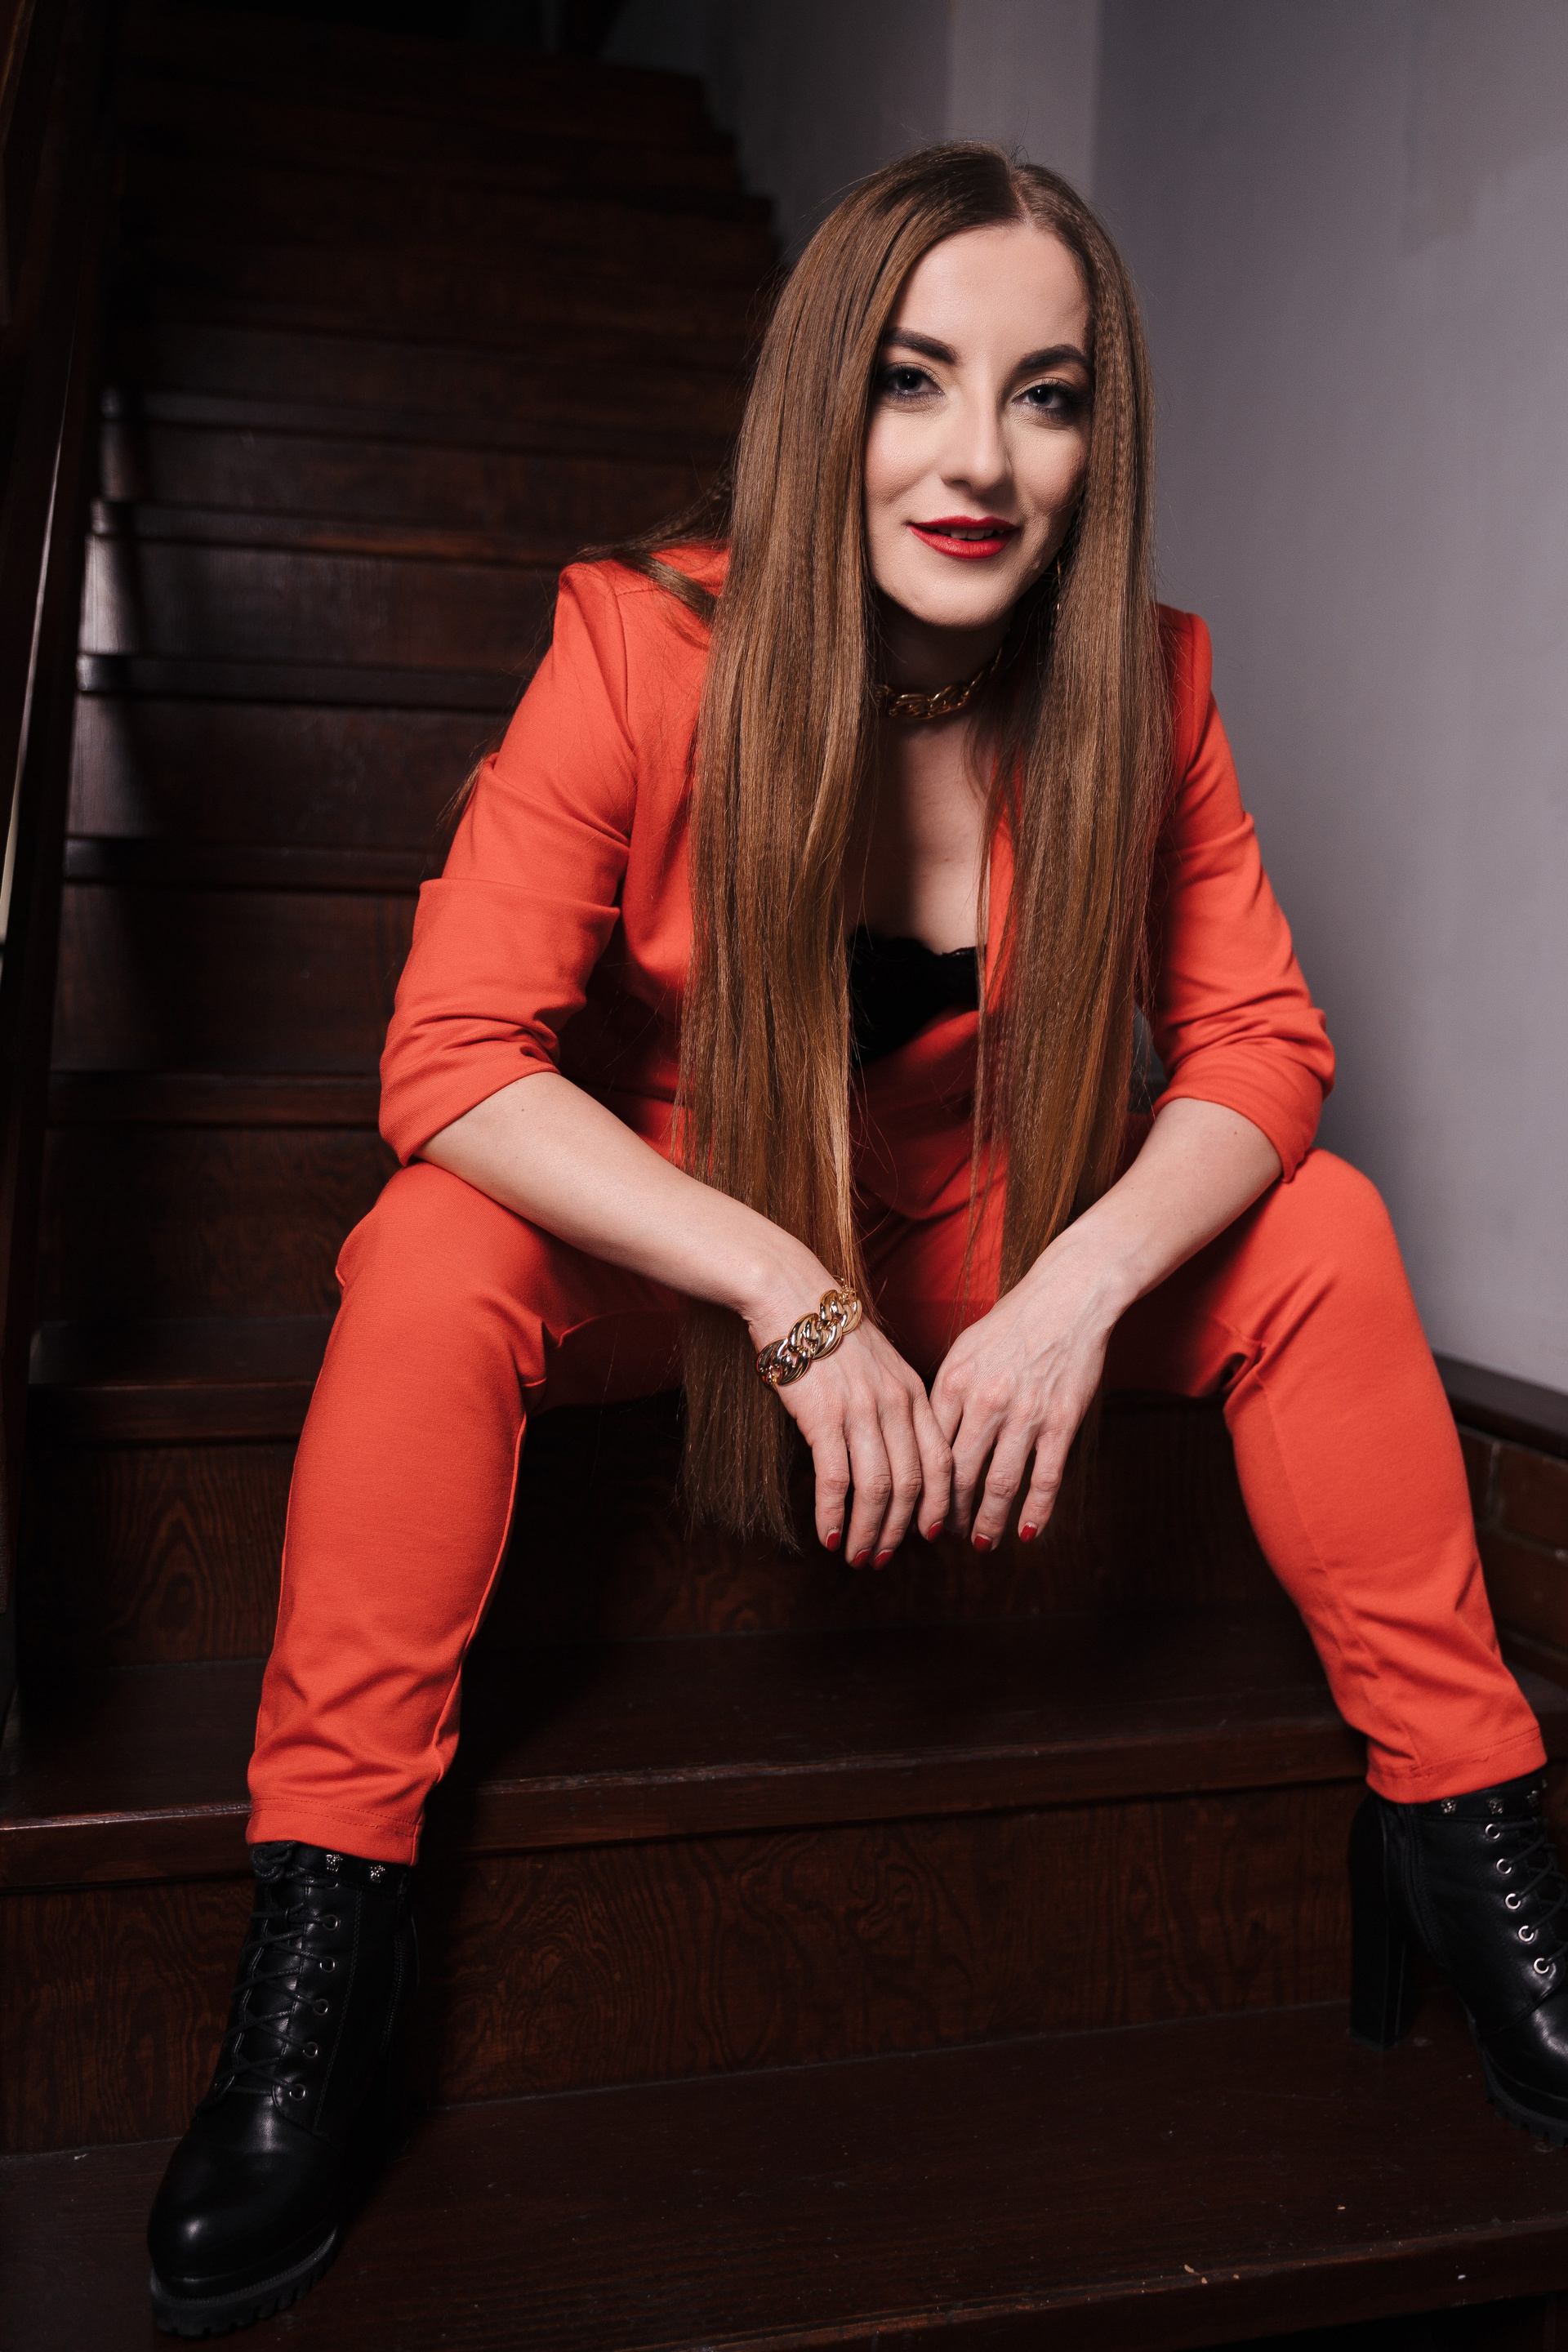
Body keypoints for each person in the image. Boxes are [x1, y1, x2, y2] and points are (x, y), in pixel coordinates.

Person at [146, 144, 1568, 2336]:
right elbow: (448, 1059)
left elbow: (1263, 1044)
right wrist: (782, 1289)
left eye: (1045, 395)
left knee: (1327, 1229)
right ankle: (327, 1924)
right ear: (825, 396)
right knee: (428, 1251)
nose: (979, 459)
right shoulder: (641, 644)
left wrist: (1078, 1290)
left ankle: (1466, 1835)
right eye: (915, 380)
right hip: (696, 1229)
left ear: (1100, 440)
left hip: (981, 1227)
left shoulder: (1150, 683)